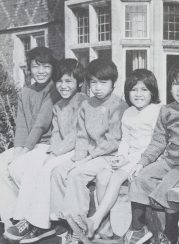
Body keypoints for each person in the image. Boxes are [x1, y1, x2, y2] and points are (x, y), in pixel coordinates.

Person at [3, 59, 88, 243]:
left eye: (68, 81)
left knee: (45, 171)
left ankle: (37, 224)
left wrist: (55, 154)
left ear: (79, 83)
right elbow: (56, 133)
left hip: (79, 149)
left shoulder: (82, 101)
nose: (63, 86)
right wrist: (52, 152)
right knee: (31, 168)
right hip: (61, 150)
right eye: (59, 81)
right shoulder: (58, 106)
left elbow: (77, 134)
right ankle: (22, 217)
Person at [123, 59, 179, 244]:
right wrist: (142, 162)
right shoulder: (166, 110)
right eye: (176, 84)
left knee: (166, 186)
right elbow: (158, 141)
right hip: (170, 161)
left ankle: (171, 234)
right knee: (140, 178)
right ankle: (139, 228)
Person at [49, 59, 128, 240]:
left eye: (103, 82)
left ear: (113, 83)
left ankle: (79, 223)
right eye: (93, 82)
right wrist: (78, 157)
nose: (98, 87)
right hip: (89, 155)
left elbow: (113, 141)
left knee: (77, 175)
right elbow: (81, 136)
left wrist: (87, 158)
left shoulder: (118, 105)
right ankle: (62, 221)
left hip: (108, 156)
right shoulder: (87, 105)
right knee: (59, 172)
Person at [0, 47, 61, 230]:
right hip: (30, 144)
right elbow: (21, 124)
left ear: (53, 68)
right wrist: (17, 149)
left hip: (46, 144)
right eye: (36, 67)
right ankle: (12, 215)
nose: (41, 71)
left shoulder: (54, 89)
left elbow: (40, 125)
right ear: (29, 68)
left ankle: (28, 217)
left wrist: (23, 152)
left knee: (19, 167)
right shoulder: (26, 91)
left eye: (46, 67)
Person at [85, 69, 162, 239]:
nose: (138, 94)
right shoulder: (128, 112)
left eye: (144, 90)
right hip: (129, 156)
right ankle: (106, 227)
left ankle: (95, 219)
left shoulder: (157, 111)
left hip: (148, 157)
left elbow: (157, 143)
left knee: (117, 176)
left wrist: (128, 161)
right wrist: (120, 157)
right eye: (133, 89)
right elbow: (125, 141)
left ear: (152, 91)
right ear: (127, 92)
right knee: (103, 176)